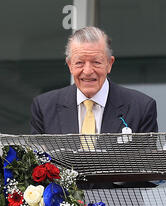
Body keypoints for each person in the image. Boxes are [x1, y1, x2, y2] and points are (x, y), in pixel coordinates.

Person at [30, 26, 158, 135]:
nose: (87, 71)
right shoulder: (44, 107)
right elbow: (36, 161)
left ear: (109, 63)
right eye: (79, 63)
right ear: (70, 65)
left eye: (96, 62)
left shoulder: (141, 108)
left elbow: (146, 162)